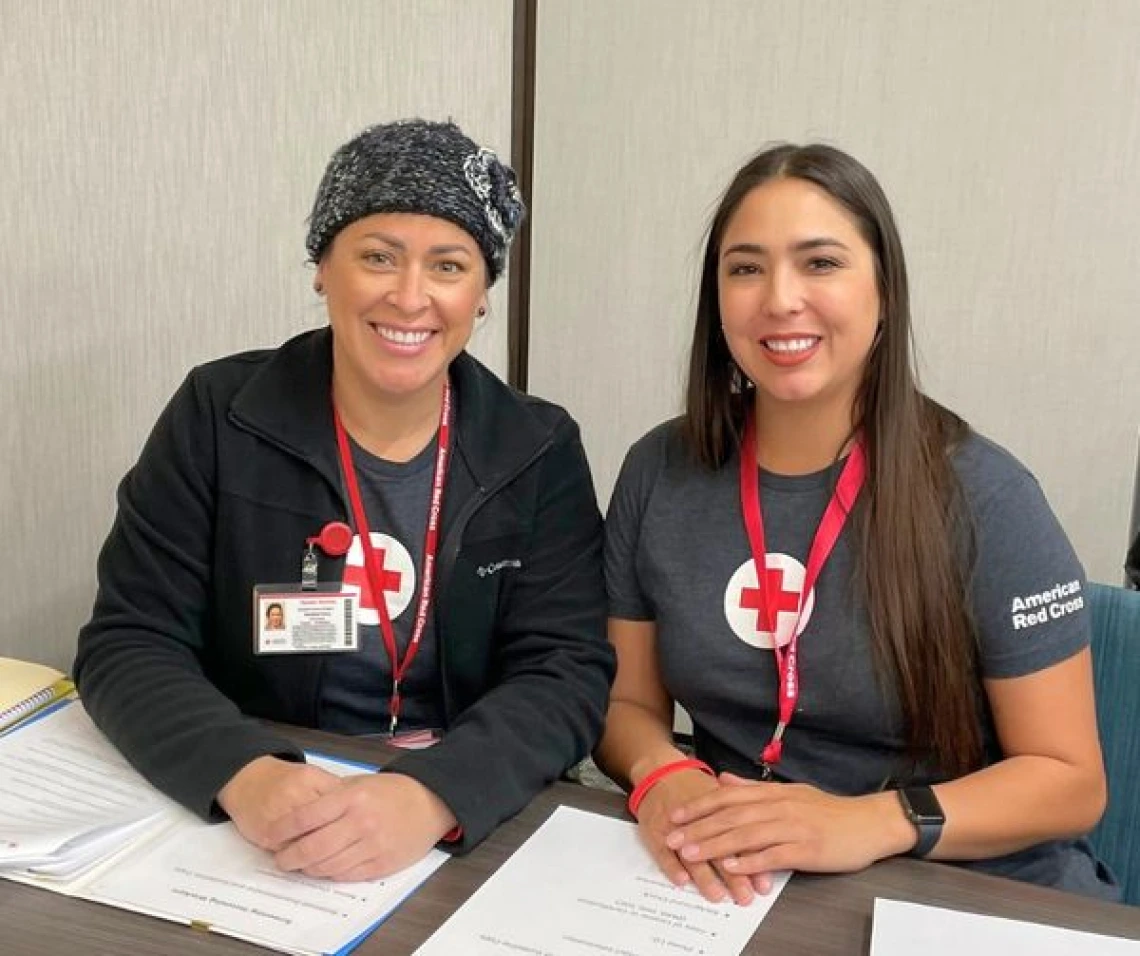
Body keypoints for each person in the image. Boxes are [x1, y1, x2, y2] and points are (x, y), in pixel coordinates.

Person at [74, 119, 614, 882]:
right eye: (377, 257)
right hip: (267, 803)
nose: (410, 296)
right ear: (322, 266)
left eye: (450, 265)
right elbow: (128, 641)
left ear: (482, 294)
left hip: (462, 810)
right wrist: (248, 774)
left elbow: (565, 671)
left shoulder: (537, 447)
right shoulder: (219, 413)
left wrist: (433, 795)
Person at [596, 143, 1116, 904]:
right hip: (741, 879)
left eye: (821, 263)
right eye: (745, 268)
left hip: (960, 881)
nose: (779, 299)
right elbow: (626, 704)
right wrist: (662, 772)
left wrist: (872, 822)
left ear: (885, 291)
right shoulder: (660, 470)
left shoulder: (987, 496)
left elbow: (1071, 783)